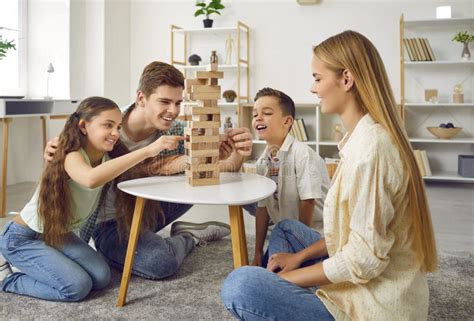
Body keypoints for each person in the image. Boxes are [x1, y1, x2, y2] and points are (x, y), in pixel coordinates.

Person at [221, 30, 438, 321]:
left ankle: (290, 293)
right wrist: (297, 259)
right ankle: (294, 292)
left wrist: (285, 281)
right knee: (285, 228)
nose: (313, 88)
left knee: (241, 284)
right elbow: (352, 235)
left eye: (317, 78)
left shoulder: (372, 150)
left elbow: (363, 260)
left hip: (369, 308)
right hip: (356, 280)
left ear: (346, 79)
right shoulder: (360, 139)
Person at [43, 61, 254, 280]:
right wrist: (56, 153)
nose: (173, 111)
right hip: (109, 223)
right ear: (141, 99)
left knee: (197, 179)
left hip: (149, 210)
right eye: (164, 101)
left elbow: (223, 171)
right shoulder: (104, 127)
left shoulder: (178, 132)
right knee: (160, 262)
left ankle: (154, 237)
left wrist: (237, 153)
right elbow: (68, 160)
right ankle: (188, 237)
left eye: (178, 103)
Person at [0, 96, 180, 301]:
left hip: (57, 234)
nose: (115, 133)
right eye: (108, 125)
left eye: (118, 127)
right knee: (76, 287)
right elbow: (90, 179)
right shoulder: (71, 154)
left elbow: (128, 169)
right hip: (23, 238)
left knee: (102, 278)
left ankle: (44, 262)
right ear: (84, 126)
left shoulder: (106, 158)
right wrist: (149, 150)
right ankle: (6, 279)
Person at [250, 87, 329, 267]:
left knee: (271, 270)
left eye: (267, 113)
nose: (258, 118)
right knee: (262, 268)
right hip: (284, 233)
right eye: (255, 114)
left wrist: (299, 253)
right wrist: (257, 253)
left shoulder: (303, 155)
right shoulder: (262, 162)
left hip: (313, 238)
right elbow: (262, 209)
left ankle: (301, 267)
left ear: (287, 121)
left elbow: (308, 202)